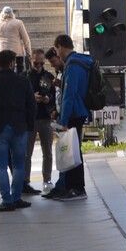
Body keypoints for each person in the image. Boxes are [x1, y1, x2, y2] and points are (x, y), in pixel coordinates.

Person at [0, 49, 35, 211]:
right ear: (11, 63)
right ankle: (17, 197)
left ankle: (7, 200)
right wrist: (29, 125)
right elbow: (31, 105)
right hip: (19, 128)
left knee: (1, 165)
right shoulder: (23, 81)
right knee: (19, 165)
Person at [48, 34, 90, 201]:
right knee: (74, 150)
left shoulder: (72, 65)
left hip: (73, 113)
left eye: (57, 50)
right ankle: (73, 187)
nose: (57, 54)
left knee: (72, 152)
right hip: (80, 111)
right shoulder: (81, 61)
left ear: (61, 46)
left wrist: (64, 120)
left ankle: (76, 188)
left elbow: (69, 95)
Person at [25, 48, 56, 194]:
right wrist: (32, 98)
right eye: (36, 63)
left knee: (48, 152)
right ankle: (25, 181)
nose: (38, 65)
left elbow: (53, 96)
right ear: (30, 60)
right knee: (27, 153)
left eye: (41, 63)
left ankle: (47, 179)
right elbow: (19, 97)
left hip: (45, 117)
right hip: (30, 119)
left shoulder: (48, 76)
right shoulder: (24, 77)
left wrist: (46, 99)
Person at [0, 7, 31, 72]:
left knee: (3, 69)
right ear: (12, 14)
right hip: (17, 52)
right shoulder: (18, 23)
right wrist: (28, 51)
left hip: (1, 52)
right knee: (19, 69)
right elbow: (26, 39)